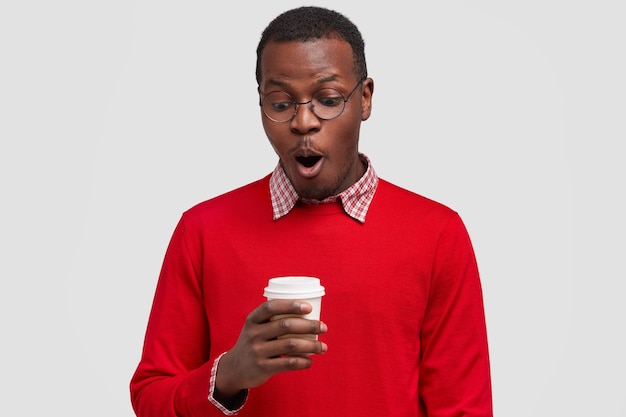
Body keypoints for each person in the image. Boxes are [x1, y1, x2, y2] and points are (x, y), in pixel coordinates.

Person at [130, 6, 492, 417]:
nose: (304, 122)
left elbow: (464, 409)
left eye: (328, 99)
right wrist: (228, 374)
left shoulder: (437, 235)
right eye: (281, 103)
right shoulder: (202, 231)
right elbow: (150, 400)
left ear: (366, 98)